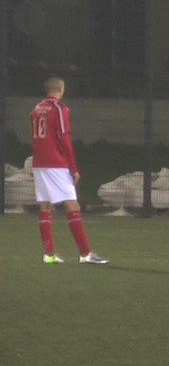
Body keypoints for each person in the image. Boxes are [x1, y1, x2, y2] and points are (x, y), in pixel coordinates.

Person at [30, 76, 109, 264]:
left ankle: (49, 254)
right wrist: (73, 167)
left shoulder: (36, 109)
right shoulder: (59, 109)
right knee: (72, 206)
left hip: (39, 163)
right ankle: (85, 254)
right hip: (55, 164)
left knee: (45, 206)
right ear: (61, 89)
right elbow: (64, 139)